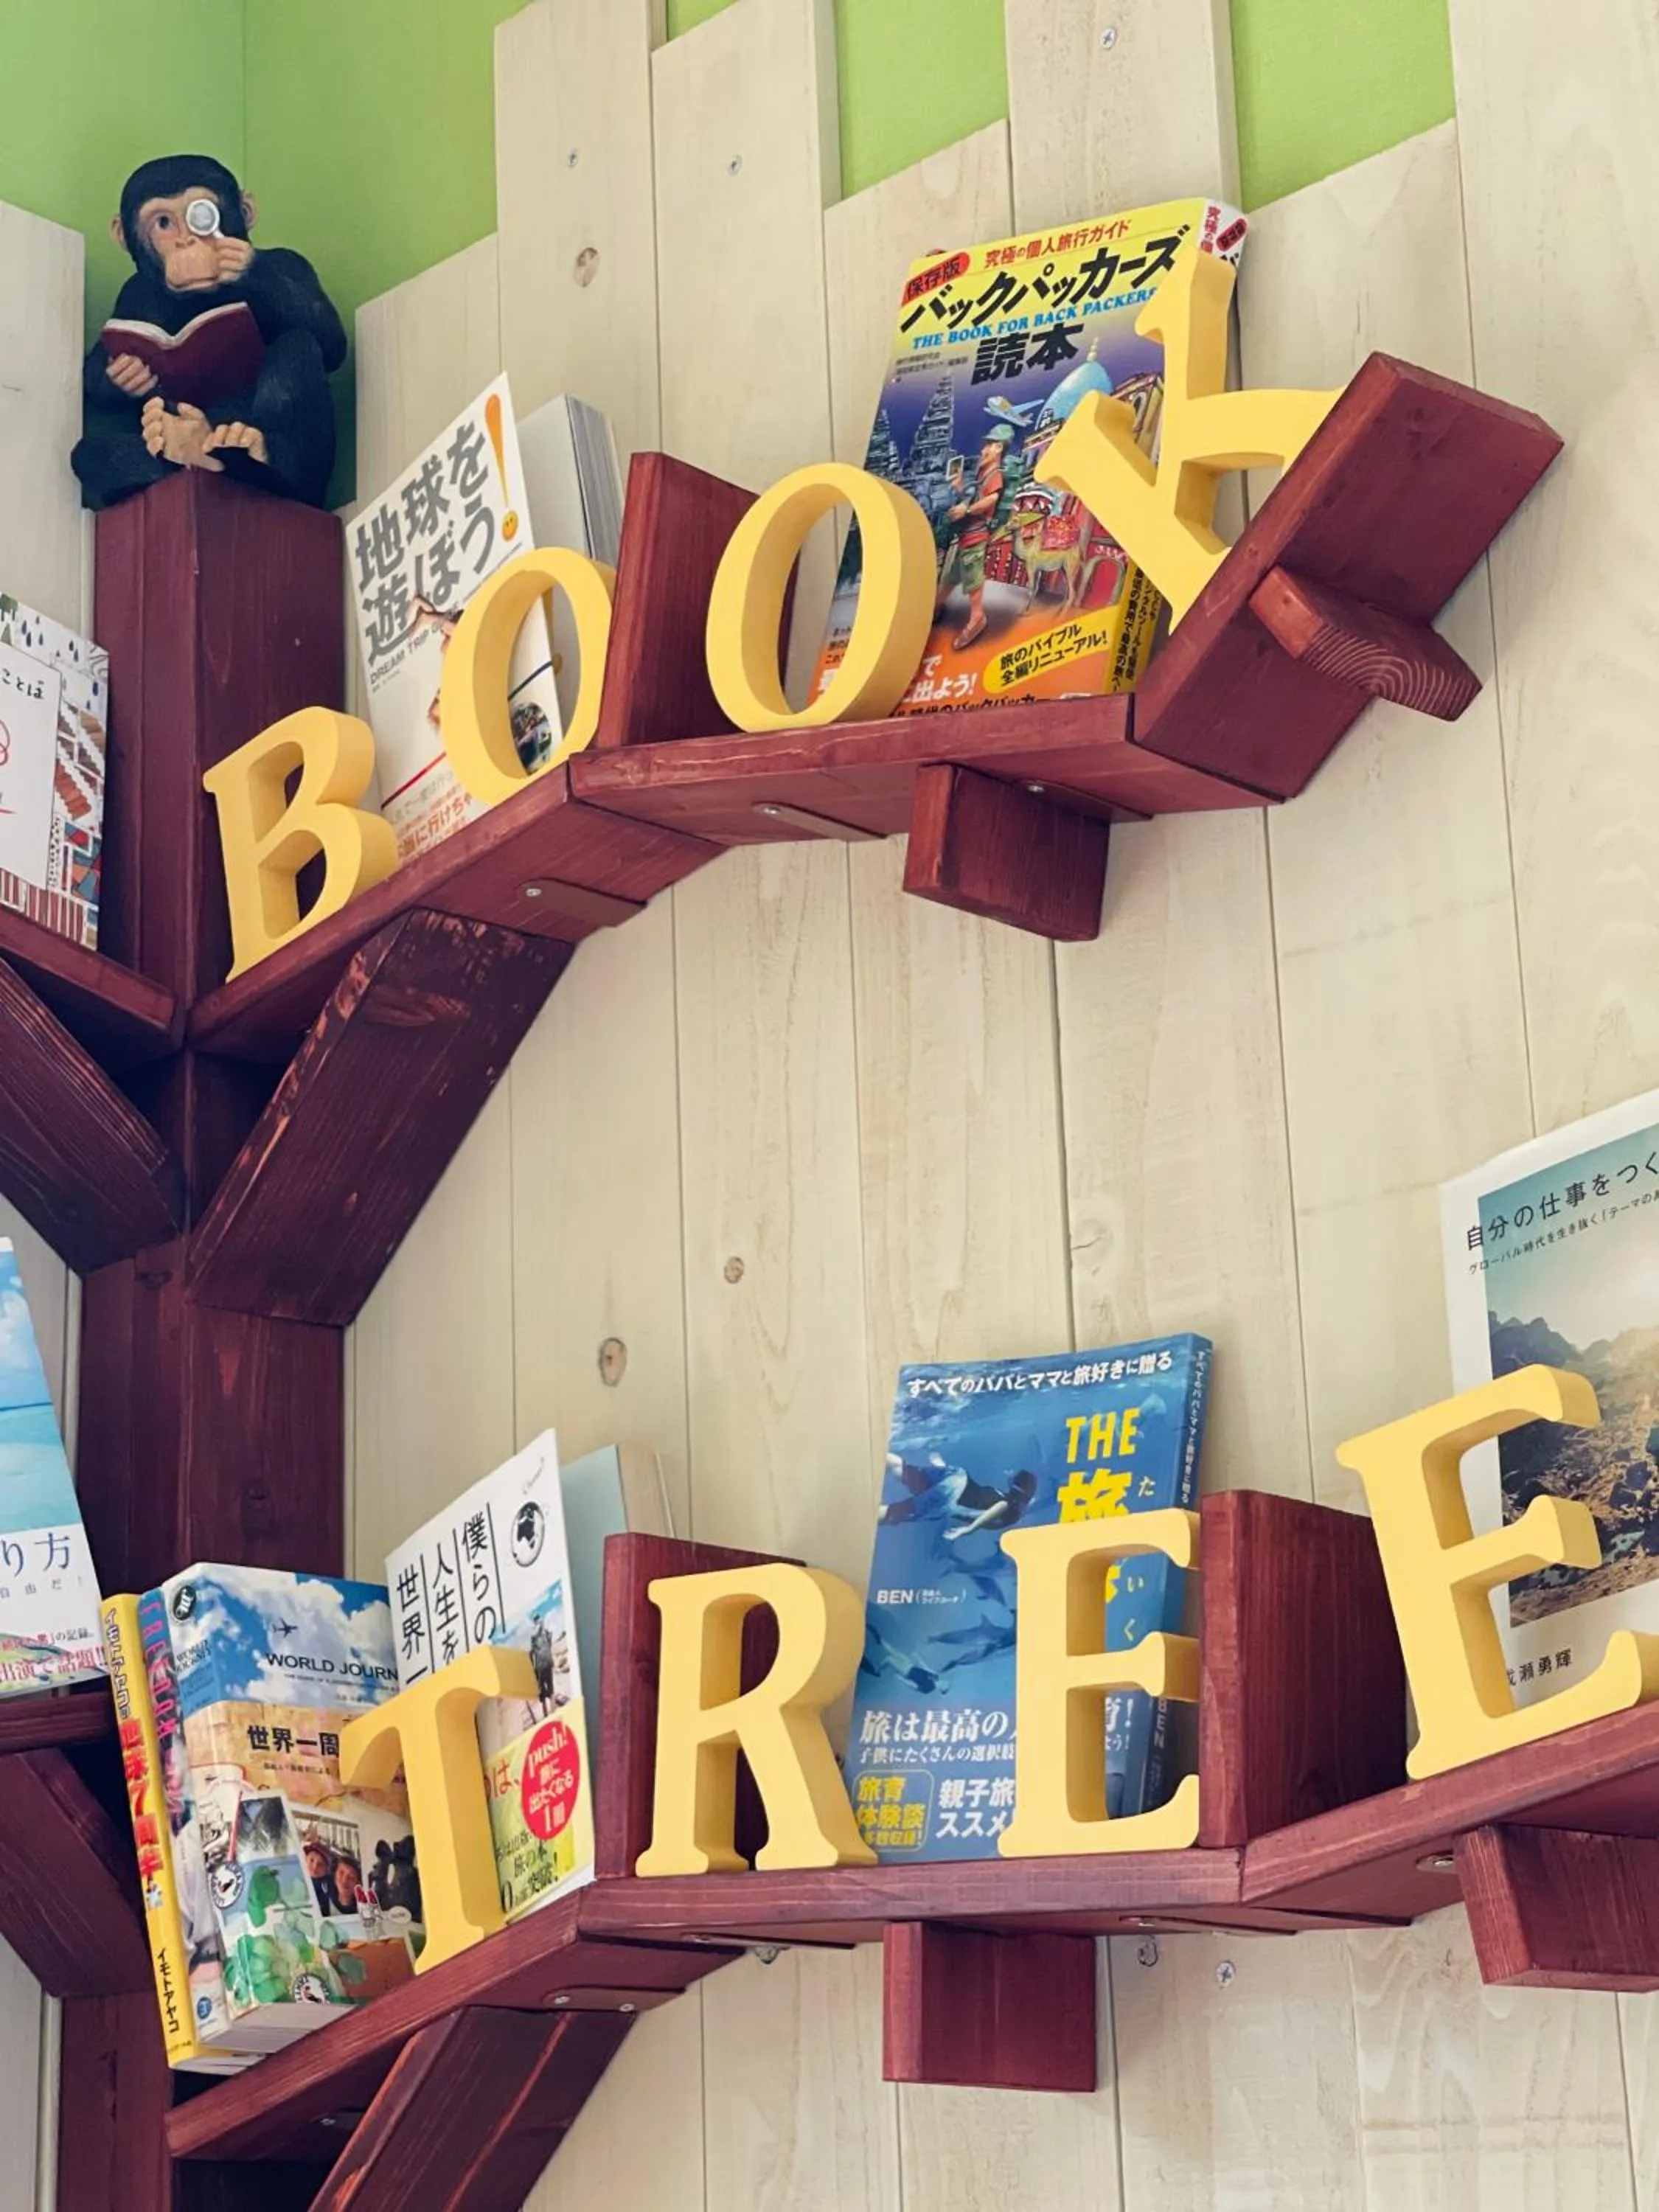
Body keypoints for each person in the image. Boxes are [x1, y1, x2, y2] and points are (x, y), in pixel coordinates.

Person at [302, 1837, 333, 1917]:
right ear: (305, 1859)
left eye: (321, 1865)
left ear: (326, 1871)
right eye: (311, 1860)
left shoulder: (325, 1885)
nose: (315, 1867)